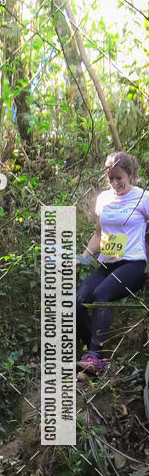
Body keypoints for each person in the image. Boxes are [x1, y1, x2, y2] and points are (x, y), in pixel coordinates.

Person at [77, 151, 149, 374]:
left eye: (120, 177)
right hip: (108, 264)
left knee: (101, 295)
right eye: (111, 178)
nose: (115, 182)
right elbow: (98, 234)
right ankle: (94, 350)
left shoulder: (143, 197)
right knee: (77, 300)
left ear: (130, 174)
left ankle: (94, 356)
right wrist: (82, 257)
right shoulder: (104, 199)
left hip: (134, 265)